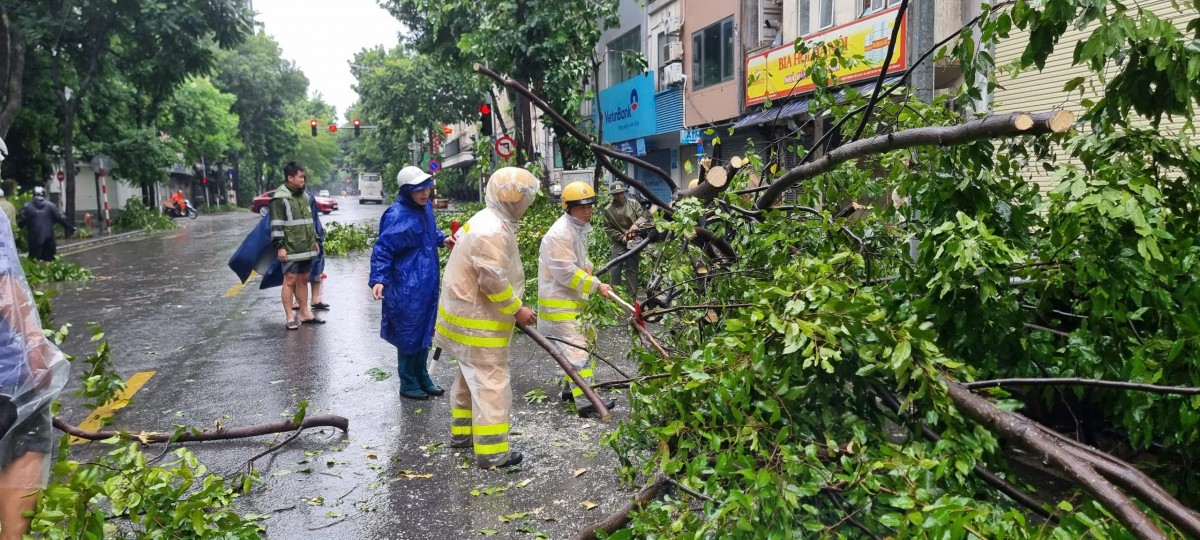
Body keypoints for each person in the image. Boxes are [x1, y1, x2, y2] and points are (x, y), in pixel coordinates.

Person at [437, 167, 539, 469]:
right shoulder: (493, 229)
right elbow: (492, 279)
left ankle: (462, 436)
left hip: (462, 319)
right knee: (491, 384)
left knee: (469, 380)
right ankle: (493, 453)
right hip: (477, 322)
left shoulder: (485, 219)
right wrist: (516, 309)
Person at [0, 209, 69, 540]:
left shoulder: (26, 211)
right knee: (26, 442)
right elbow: (4, 286)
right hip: (6, 377)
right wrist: (37, 348)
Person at [370, 166, 455, 400]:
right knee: (408, 333)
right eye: (418, 190)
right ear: (407, 191)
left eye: (426, 188)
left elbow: (430, 232)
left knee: (425, 329)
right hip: (405, 285)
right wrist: (379, 279)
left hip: (426, 283)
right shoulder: (396, 215)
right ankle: (408, 382)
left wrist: (443, 239)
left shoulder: (424, 208)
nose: (424, 193)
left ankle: (422, 377)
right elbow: (383, 250)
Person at [538, 181, 617, 417]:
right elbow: (566, 272)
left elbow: (577, 262)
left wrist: (588, 269)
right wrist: (596, 284)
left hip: (570, 301)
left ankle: (570, 391)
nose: (588, 210)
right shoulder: (561, 233)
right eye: (581, 206)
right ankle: (586, 401)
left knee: (576, 346)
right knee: (578, 349)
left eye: (590, 205)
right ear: (568, 207)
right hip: (559, 303)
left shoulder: (575, 228)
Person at [269, 162, 322, 330]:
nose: (303, 179)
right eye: (300, 177)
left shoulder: (305, 196)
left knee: (304, 280)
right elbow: (276, 224)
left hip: (306, 246)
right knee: (290, 280)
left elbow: (309, 221)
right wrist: (280, 246)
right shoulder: (280, 198)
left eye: (303, 176)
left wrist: (314, 239)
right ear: (290, 178)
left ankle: (305, 313)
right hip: (290, 247)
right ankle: (290, 316)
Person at [600, 181, 648, 298]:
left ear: (624, 193)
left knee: (632, 268)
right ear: (612, 195)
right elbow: (608, 227)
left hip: (634, 241)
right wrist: (621, 237)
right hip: (619, 243)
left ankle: (631, 297)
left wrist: (636, 224)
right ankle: (615, 296)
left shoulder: (633, 204)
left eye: (621, 193)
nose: (619, 196)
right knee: (614, 267)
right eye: (616, 194)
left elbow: (644, 216)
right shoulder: (608, 210)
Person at [17, 187, 74, 262]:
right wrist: (71, 228)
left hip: (34, 240)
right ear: (44, 194)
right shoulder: (51, 206)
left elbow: (21, 222)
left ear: (33, 194)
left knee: (34, 262)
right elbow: (61, 218)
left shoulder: (27, 206)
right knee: (49, 263)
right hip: (49, 239)